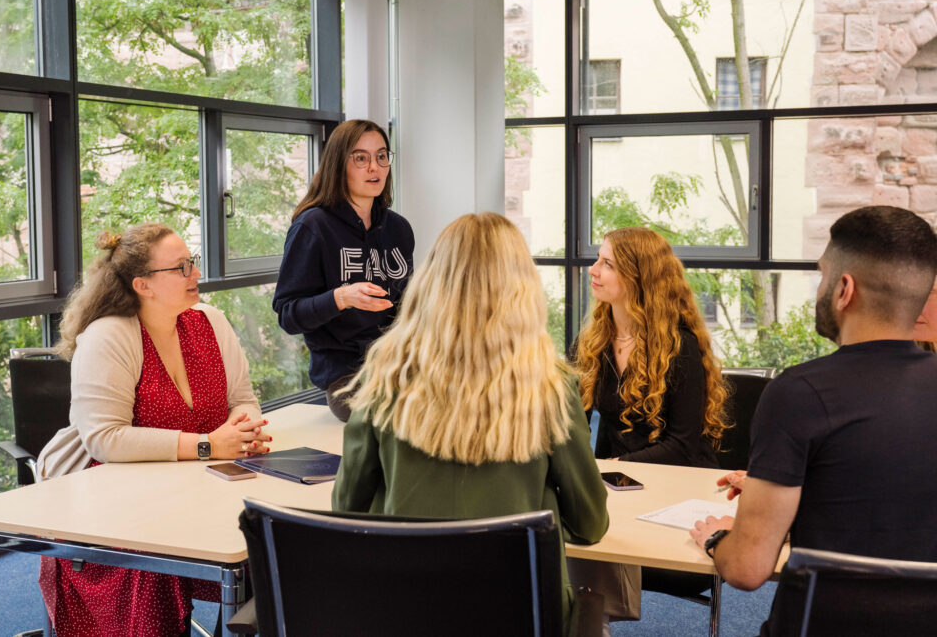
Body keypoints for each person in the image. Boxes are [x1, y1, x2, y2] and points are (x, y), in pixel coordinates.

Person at [332, 213, 609, 635]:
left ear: (431, 282)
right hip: (521, 616)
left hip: (403, 614)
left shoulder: (384, 374)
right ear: (522, 290)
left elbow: (345, 512)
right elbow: (590, 526)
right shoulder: (551, 386)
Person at [690, 206, 937, 634]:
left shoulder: (798, 393)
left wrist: (719, 538)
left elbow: (747, 571)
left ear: (844, 289)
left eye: (822, 275)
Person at [36, 223, 270, 637]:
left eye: (192, 263)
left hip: (195, 492)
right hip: (111, 509)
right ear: (143, 284)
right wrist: (207, 445)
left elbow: (243, 398)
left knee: (266, 541)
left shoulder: (209, 322)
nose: (196, 274)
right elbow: (104, 439)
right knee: (153, 570)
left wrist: (245, 424)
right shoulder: (109, 335)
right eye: (182, 268)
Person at [272, 119, 414, 422]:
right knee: (409, 418)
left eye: (381, 156)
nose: (374, 167)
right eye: (360, 158)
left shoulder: (399, 228)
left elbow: (407, 307)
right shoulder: (312, 227)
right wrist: (341, 297)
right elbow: (288, 314)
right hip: (347, 376)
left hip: (401, 364)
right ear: (339, 164)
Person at [574, 227, 729, 467]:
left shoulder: (680, 346)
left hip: (678, 480)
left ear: (637, 276)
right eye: (597, 259)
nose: (593, 270)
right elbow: (572, 422)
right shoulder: (594, 341)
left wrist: (613, 467)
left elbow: (681, 445)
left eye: (607, 264)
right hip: (621, 476)